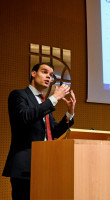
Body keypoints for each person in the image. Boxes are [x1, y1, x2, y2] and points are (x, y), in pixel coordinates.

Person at [2, 62, 76, 200]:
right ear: (33, 73)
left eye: (51, 75)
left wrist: (69, 113)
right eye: (44, 72)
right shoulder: (18, 95)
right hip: (25, 167)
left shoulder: (43, 103)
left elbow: (53, 132)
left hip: (45, 165)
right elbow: (25, 117)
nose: (49, 76)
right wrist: (54, 98)